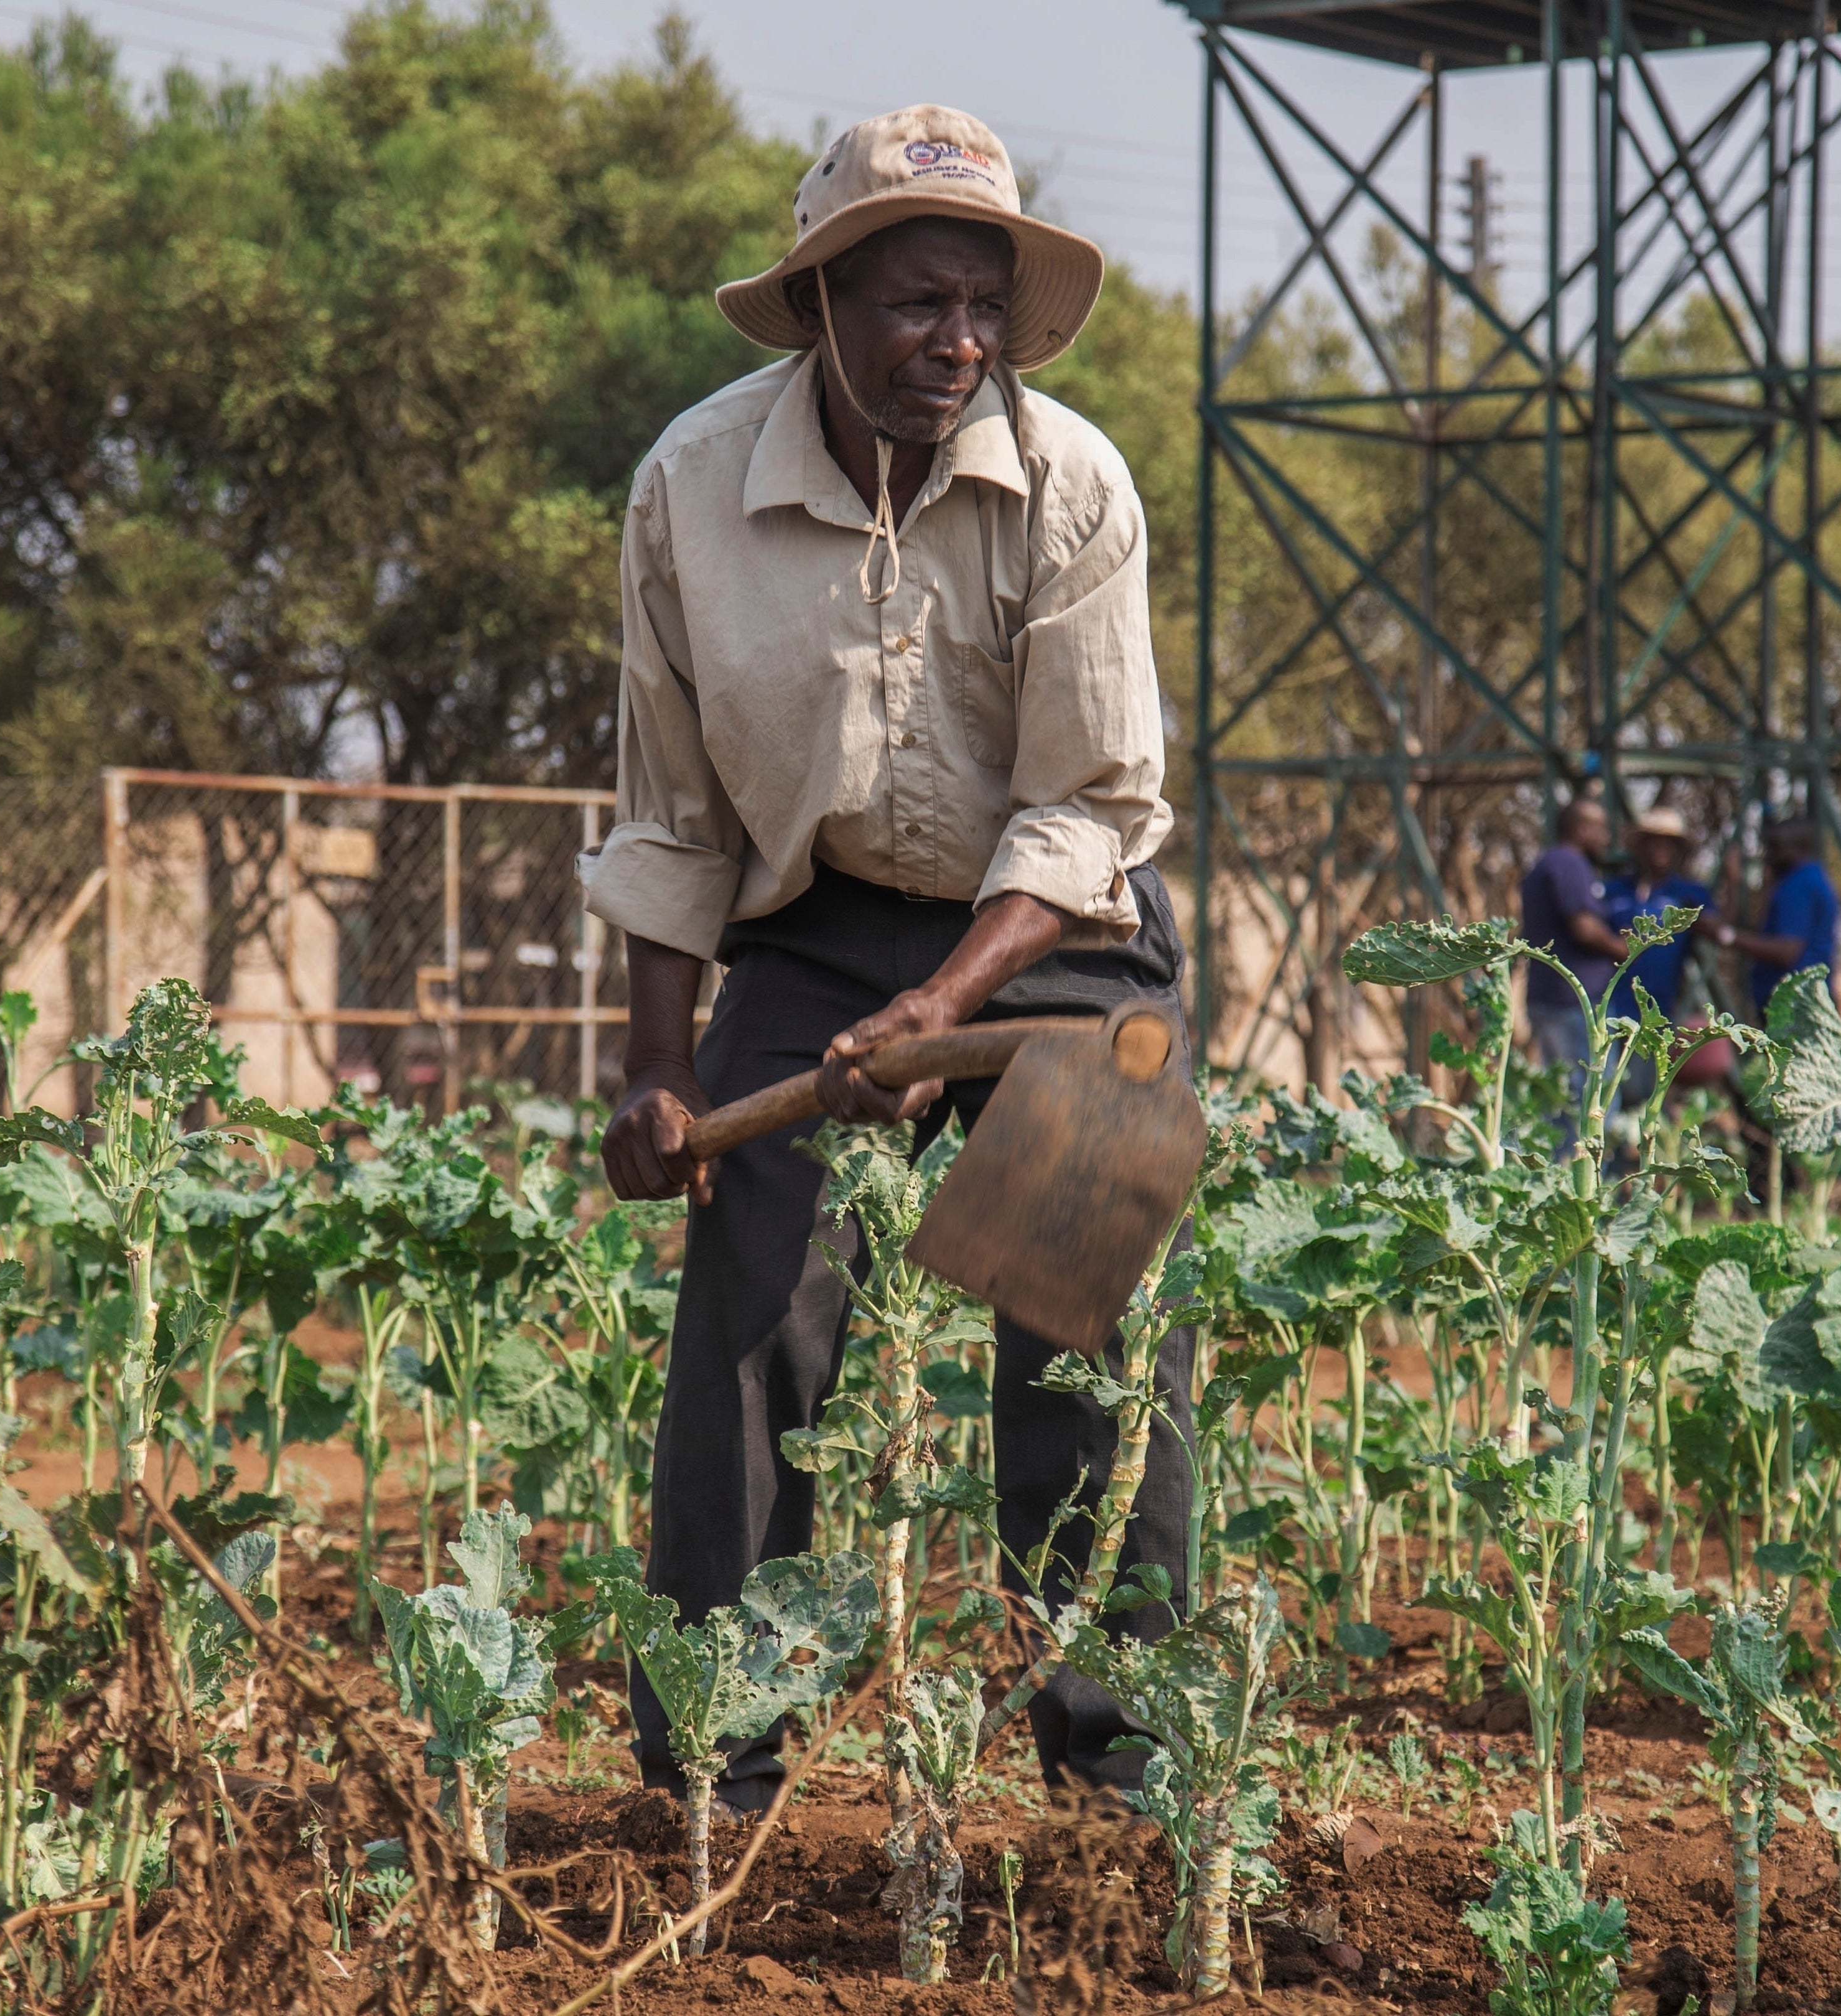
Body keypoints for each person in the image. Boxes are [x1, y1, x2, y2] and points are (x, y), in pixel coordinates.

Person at [584, 106, 1193, 1818]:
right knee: (757, 1306)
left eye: (984, 307)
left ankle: (1118, 1765)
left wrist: (941, 1006)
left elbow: (1083, 808)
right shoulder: (691, 489)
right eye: (919, 303)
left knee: (1080, 1314)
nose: (959, 343)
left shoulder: (1071, 483)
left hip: (1059, 936)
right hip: (819, 919)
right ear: (822, 305)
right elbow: (671, 814)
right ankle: (715, 1759)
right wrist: (658, 1066)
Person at [1517, 796, 1631, 1063]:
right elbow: (1584, 927)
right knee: (1591, 1084)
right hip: (1574, 1001)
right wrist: (1623, 948)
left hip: (1550, 997)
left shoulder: (1547, 864)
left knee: (1560, 1084)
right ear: (1582, 829)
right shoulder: (1570, 863)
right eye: (1602, 829)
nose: (1606, 838)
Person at [1706, 814, 1841, 1017]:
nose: (1768, 855)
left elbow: (1787, 951)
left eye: (1775, 848)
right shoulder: (1809, 879)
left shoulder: (1799, 885)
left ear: (1797, 848)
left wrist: (1727, 936)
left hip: (1796, 1007)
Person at [1611, 805, 1717, 1020]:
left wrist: (1734, 884)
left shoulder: (1689, 894)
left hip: (1660, 1006)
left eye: (1670, 843)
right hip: (1610, 1003)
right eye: (1654, 841)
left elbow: (1719, 930)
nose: (1661, 849)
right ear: (1641, 846)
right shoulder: (1614, 890)